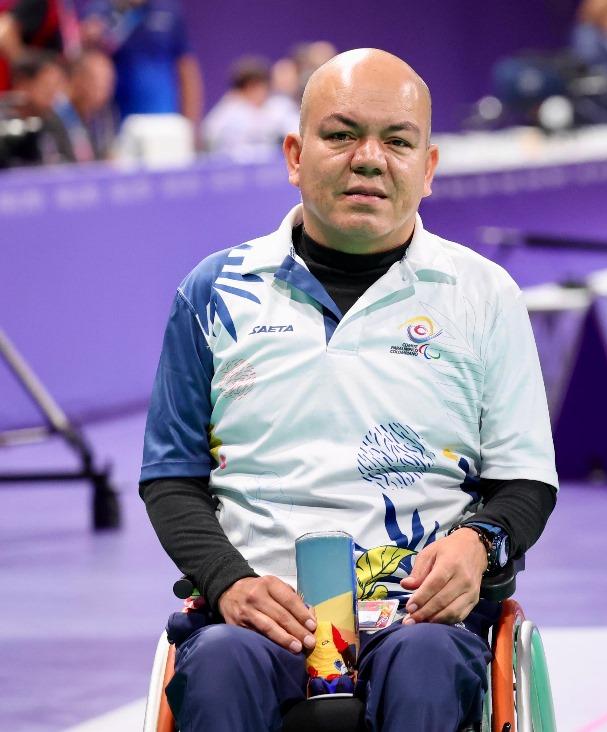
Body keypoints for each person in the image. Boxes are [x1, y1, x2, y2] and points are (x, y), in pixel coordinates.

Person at [140, 48, 558, 732]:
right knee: (216, 666)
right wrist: (230, 583)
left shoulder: (484, 295)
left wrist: (478, 545)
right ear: (295, 155)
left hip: (419, 617)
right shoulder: (214, 292)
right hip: (258, 617)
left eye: (397, 141)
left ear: (427, 169)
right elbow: (171, 480)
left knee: (425, 668)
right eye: (341, 135)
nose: (369, 158)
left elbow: (525, 483)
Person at [81, 0, 202, 131]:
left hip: (164, 122)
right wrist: (88, 41)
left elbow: (187, 70)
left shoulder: (169, 11)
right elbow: (85, 71)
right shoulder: (100, 12)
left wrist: (190, 127)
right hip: (117, 125)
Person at [202, 55, 297, 159]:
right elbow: (209, 135)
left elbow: (296, 131)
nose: (256, 91)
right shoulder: (228, 110)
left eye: (259, 85)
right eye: (249, 87)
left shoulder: (280, 106)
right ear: (241, 89)